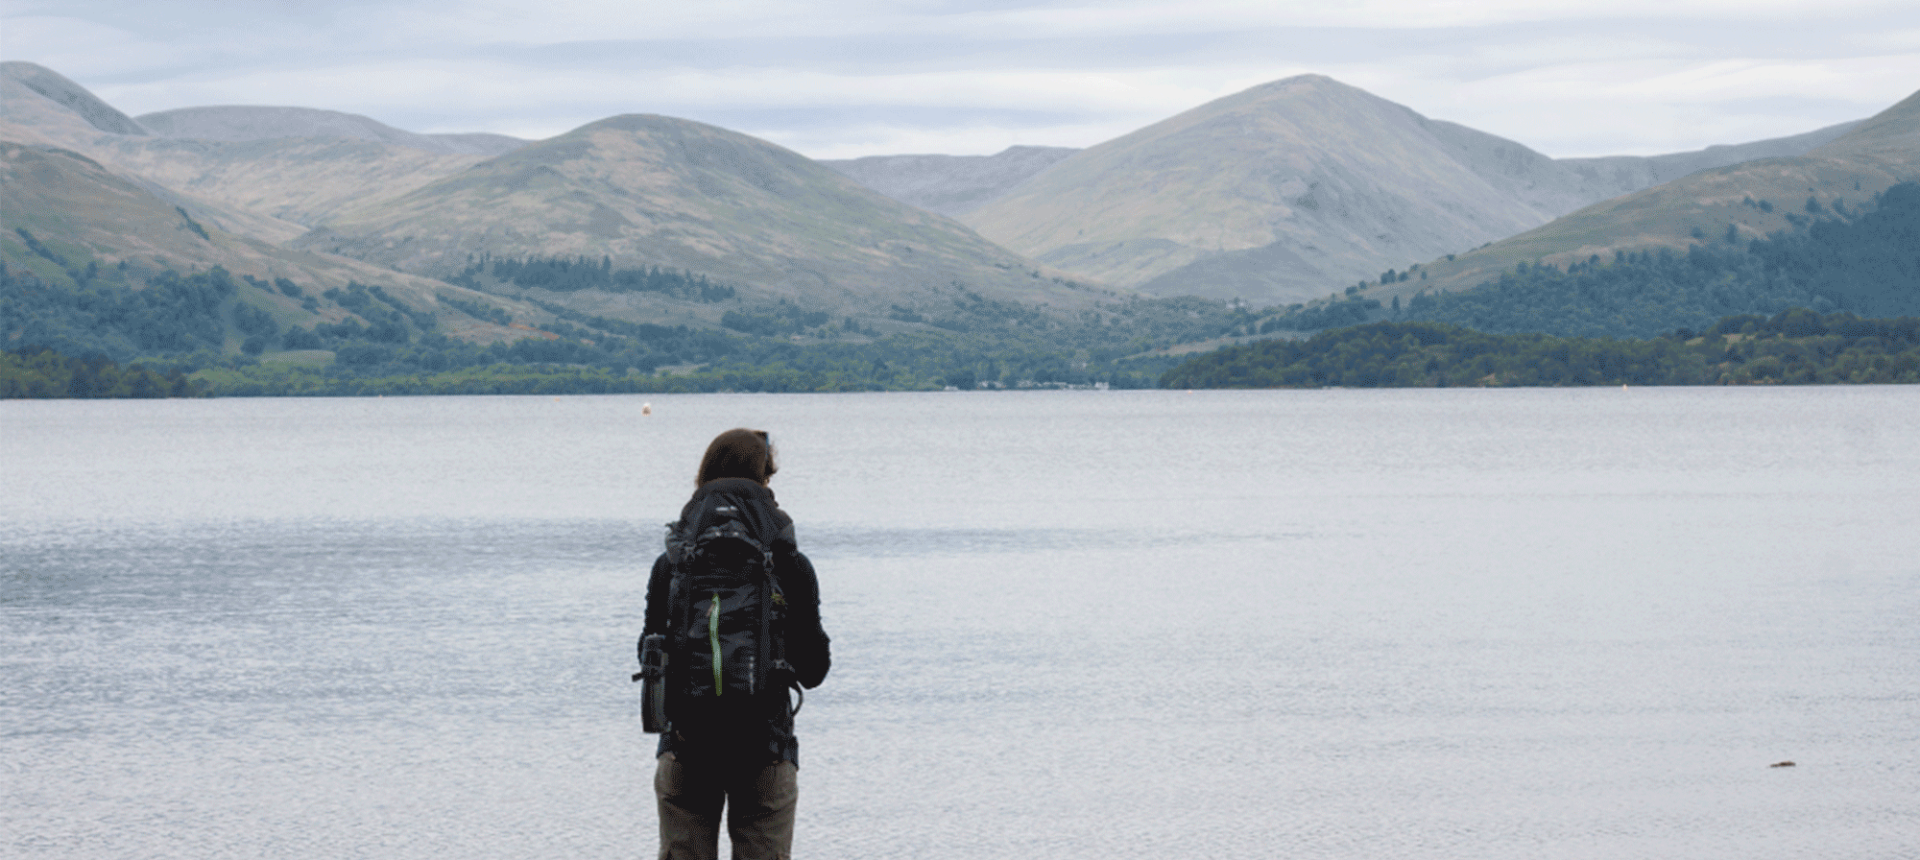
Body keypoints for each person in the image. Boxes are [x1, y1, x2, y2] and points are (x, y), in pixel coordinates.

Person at [643, 428, 831, 860]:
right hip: (765, 745)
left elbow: (649, 650)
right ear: (764, 481)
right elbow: (814, 670)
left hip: (686, 745)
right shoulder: (789, 564)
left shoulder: (671, 563)